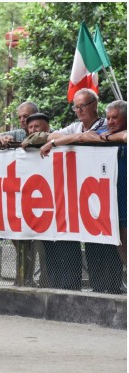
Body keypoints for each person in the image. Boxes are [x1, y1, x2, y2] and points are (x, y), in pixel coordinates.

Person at [41, 99, 126, 293]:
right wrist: (54, 142)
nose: (111, 122)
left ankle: (114, 286)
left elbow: (103, 136)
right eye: (110, 118)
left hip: (119, 197)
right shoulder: (97, 130)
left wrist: (103, 138)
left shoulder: (106, 129)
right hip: (104, 199)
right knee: (118, 245)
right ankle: (108, 286)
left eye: (115, 118)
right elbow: (85, 136)